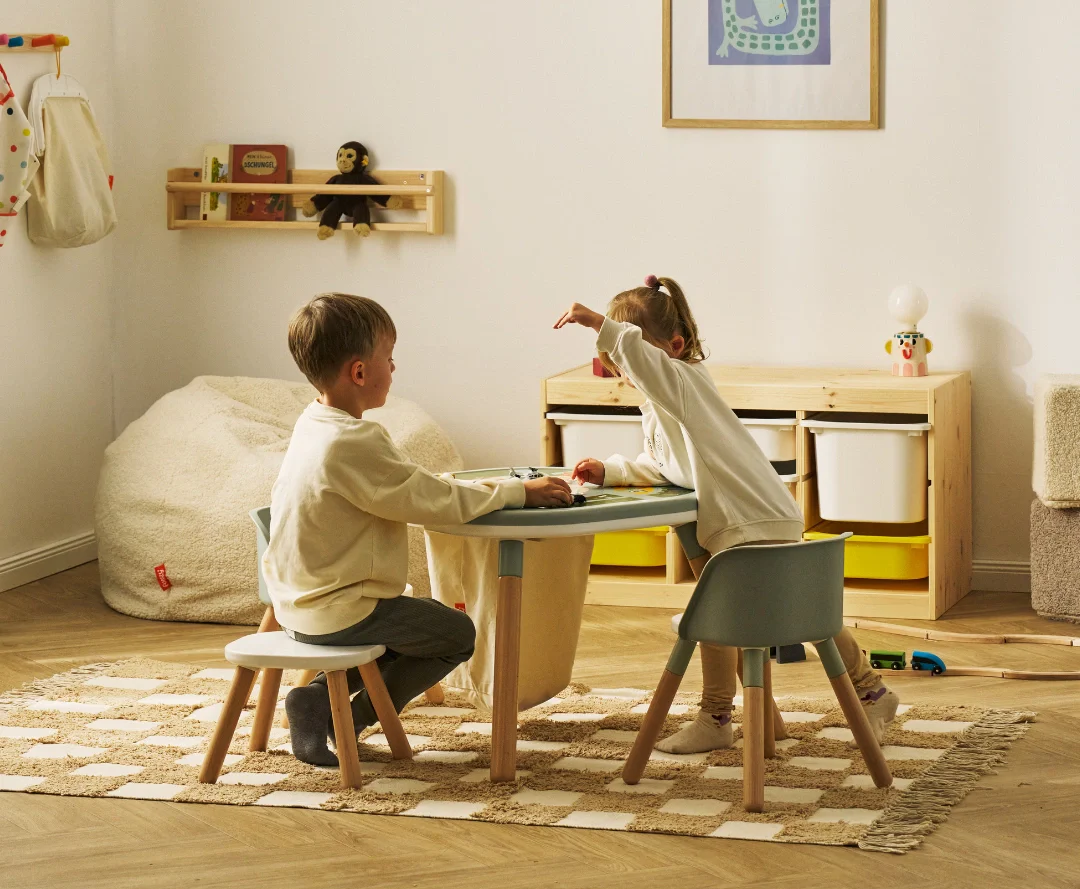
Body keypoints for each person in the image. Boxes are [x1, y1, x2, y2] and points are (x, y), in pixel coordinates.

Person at [554, 275, 899, 753]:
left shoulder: (683, 381)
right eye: (619, 369)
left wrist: (598, 323)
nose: (627, 375)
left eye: (628, 363)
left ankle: (720, 716)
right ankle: (866, 692)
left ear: (674, 348)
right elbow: (669, 464)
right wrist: (611, 470)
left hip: (749, 521)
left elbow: (644, 361)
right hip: (754, 519)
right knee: (783, 609)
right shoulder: (665, 401)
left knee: (726, 615)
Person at [264, 292, 572, 765]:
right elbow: (434, 502)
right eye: (389, 357)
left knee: (418, 619)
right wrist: (517, 492)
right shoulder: (353, 441)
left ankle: (320, 696)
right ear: (360, 372)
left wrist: (462, 485)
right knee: (454, 633)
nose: (394, 367)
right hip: (340, 611)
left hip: (293, 605)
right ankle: (344, 716)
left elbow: (408, 486)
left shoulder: (314, 423)